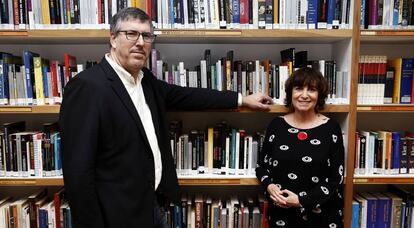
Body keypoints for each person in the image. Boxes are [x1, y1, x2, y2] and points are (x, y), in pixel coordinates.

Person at [59, 7, 273, 228]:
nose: (141, 42)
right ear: (113, 39)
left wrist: (241, 99)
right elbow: (78, 174)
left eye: (147, 36)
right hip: (116, 215)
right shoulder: (87, 86)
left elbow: (186, 96)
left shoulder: (145, 80)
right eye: (131, 34)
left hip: (151, 206)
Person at [255, 67, 344, 228]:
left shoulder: (331, 128)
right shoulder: (276, 125)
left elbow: (336, 178)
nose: (304, 95)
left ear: (319, 95)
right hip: (282, 213)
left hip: (321, 216)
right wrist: (270, 186)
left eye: (311, 89)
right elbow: (261, 166)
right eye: (298, 88)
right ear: (290, 93)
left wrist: (301, 200)